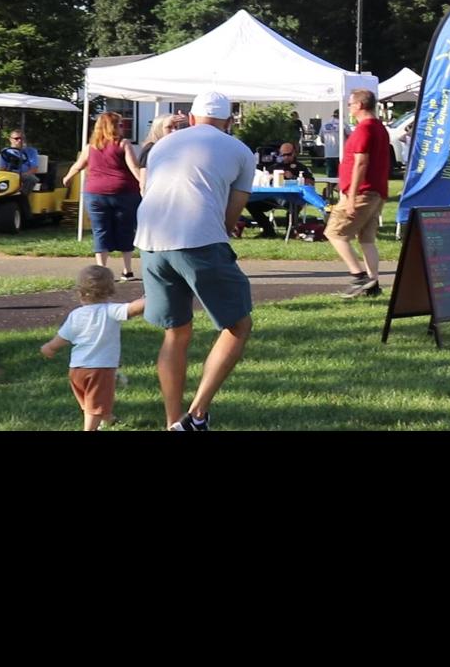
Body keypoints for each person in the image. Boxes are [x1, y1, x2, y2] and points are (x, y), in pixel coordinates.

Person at [134, 90, 256, 432]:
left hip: (150, 239)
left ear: (190, 118)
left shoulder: (162, 146)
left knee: (176, 331)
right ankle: (197, 415)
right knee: (238, 325)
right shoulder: (240, 151)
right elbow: (232, 215)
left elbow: (149, 189)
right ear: (229, 122)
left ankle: (172, 421)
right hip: (199, 237)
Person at [40, 266, 148, 431]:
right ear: (111, 290)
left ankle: (108, 419)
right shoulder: (110, 311)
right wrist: (151, 298)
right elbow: (134, 308)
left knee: (91, 401)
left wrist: (49, 347)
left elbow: (62, 337)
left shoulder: (76, 315)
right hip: (100, 369)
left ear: (80, 292)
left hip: (76, 370)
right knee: (95, 405)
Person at [67, 112, 145, 281]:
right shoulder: (123, 144)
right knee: (125, 229)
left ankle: (102, 271)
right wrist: (143, 183)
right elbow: (134, 166)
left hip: (95, 193)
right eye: (120, 124)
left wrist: (67, 177)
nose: (122, 127)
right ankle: (127, 270)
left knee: (100, 230)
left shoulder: (90, 147)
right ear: (113, 126)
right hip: (124, 192)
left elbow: (78, 165)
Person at [328, 89, 391, 297]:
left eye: (350, 104)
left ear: (359, 105)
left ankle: (359, 276)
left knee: (335, 233)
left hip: (363, 191)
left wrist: (351, 197)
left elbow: (361, 163)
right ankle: (373, 284)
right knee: (367, 239)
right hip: (377, 191)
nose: (348, 108)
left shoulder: (365, 130)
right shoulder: (380, 128)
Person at [243, 140, 312, 238]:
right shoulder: (275, 167)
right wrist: (270, 176)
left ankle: (292, 231)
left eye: (288, 154)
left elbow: (310, 183)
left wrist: (294, 178)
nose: (286, 157)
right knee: (250, 204)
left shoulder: (301, 167)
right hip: (273, 197)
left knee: (294, 206)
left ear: (294, 153)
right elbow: (263, 178)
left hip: (291, 197)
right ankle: (268, 230)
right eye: (283, 155)